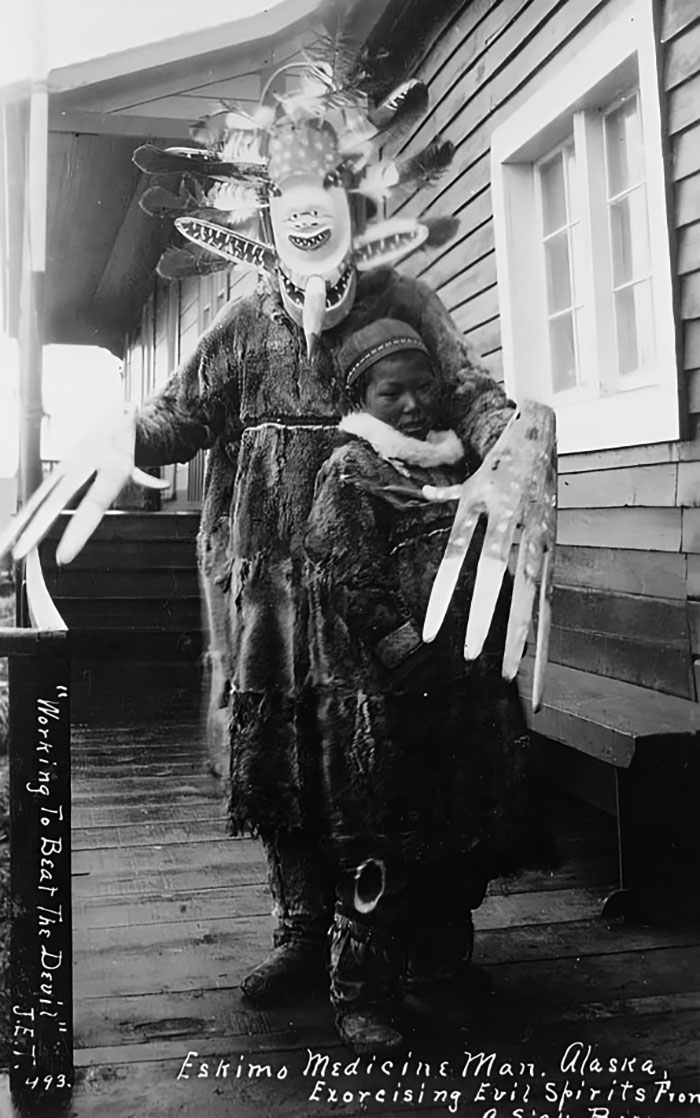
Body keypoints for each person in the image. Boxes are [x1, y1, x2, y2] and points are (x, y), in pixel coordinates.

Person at [2, 61, 556, 1009]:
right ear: (266, 209)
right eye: (290, 196)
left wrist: (523, 440)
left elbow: (471, 394)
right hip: (267, 590)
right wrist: (117, 432)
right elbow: (178, 414)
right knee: (284, 758)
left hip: (387, 578)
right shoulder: (244, 319)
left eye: (328, 189)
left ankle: (414, 946)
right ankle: (303, 932)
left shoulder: (405, 302)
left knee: (402, 756)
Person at [304, 320, 551, 1054]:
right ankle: (362, 993)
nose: (412, 404)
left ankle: (440, 966)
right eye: (393, 392)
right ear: (362, 398)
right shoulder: (351, 470)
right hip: (387, 696)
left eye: (423, 388)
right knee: (385, 847)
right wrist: (401, 649)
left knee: (458, 835)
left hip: (464, 687)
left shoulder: (461, 465)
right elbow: (344, 570)